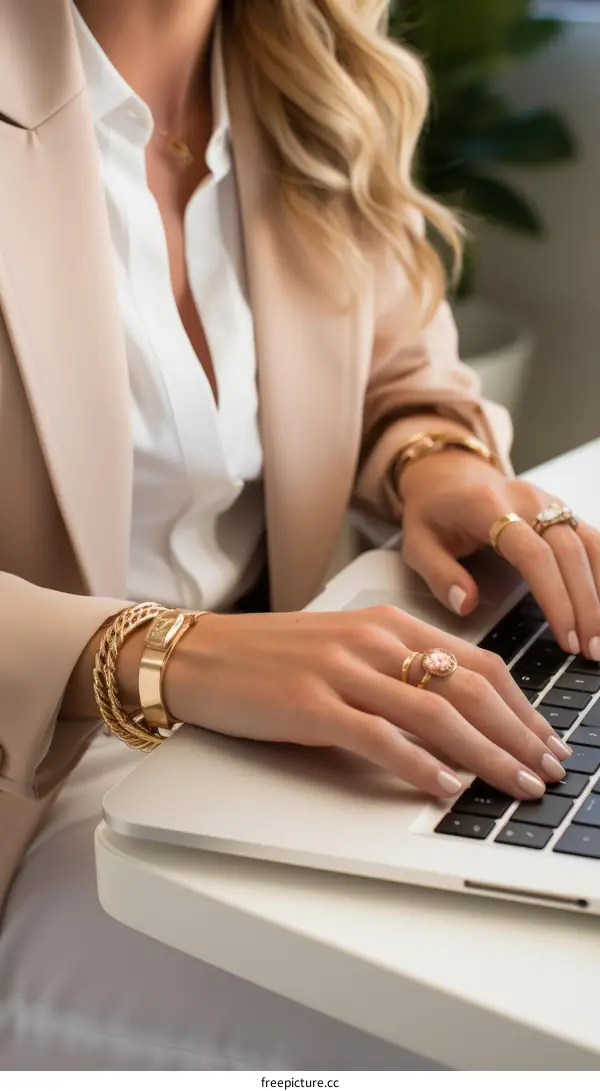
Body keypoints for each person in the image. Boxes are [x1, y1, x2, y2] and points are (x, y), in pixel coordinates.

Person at [0, 0, 597, 1071]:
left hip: (264, 724)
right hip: (33, 809)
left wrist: (437, 463)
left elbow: (401, 373)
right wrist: (168, 655)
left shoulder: (305, 65)